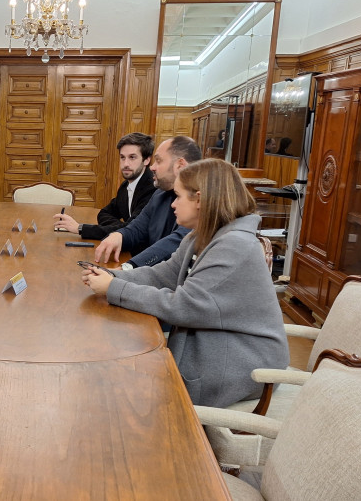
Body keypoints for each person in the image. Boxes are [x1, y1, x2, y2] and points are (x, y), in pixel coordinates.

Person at [82, 159, 289, 407]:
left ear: (199, 199)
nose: (173, 204)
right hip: (214, 346)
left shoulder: (234, 246)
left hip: (243, 365)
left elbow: (184, 307)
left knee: (131, 390)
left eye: (178, 197)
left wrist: (114, 289)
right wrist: (112, 276)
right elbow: (163, 275)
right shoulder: (202, 235)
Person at [94, 136, 202, 268]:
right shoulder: (160, 193)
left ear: (180, 165)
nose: (152, 167)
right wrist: (119, 235)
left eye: (158, 161)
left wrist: (128, 267)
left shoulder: (201, 200)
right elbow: (138, 228)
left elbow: (178, 243)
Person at [53, 132, 156, 239]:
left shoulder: (152, 189)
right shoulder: (125, 186)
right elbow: (104, 213)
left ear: (146, 160)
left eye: (132, 157)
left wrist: (80, 228)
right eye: (122, 157)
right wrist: (121, 227)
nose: (126, 164)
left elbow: (132, 229)